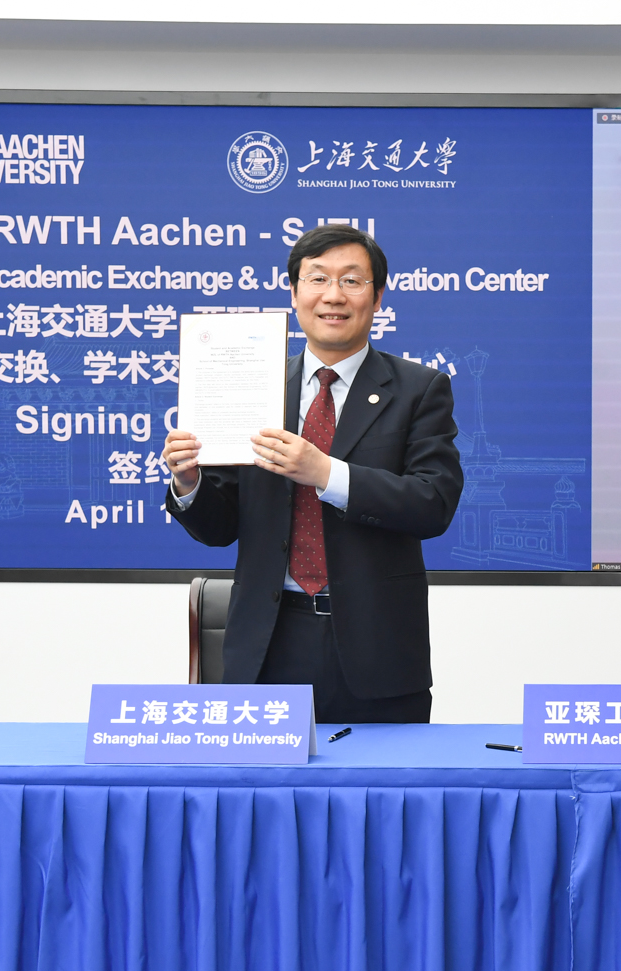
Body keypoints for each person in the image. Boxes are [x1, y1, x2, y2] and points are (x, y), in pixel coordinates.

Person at [163, 225, 463, 722]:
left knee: (382, 776)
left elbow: (433, 503)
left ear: (377, 296)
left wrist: (326, 473)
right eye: (317, 279)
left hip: (378, 651)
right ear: (294, 293)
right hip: (268, 645)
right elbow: (220, 529)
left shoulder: (420, 389)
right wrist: (190, 483)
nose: (333, 295)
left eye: (351, 281)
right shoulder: (254, 387)